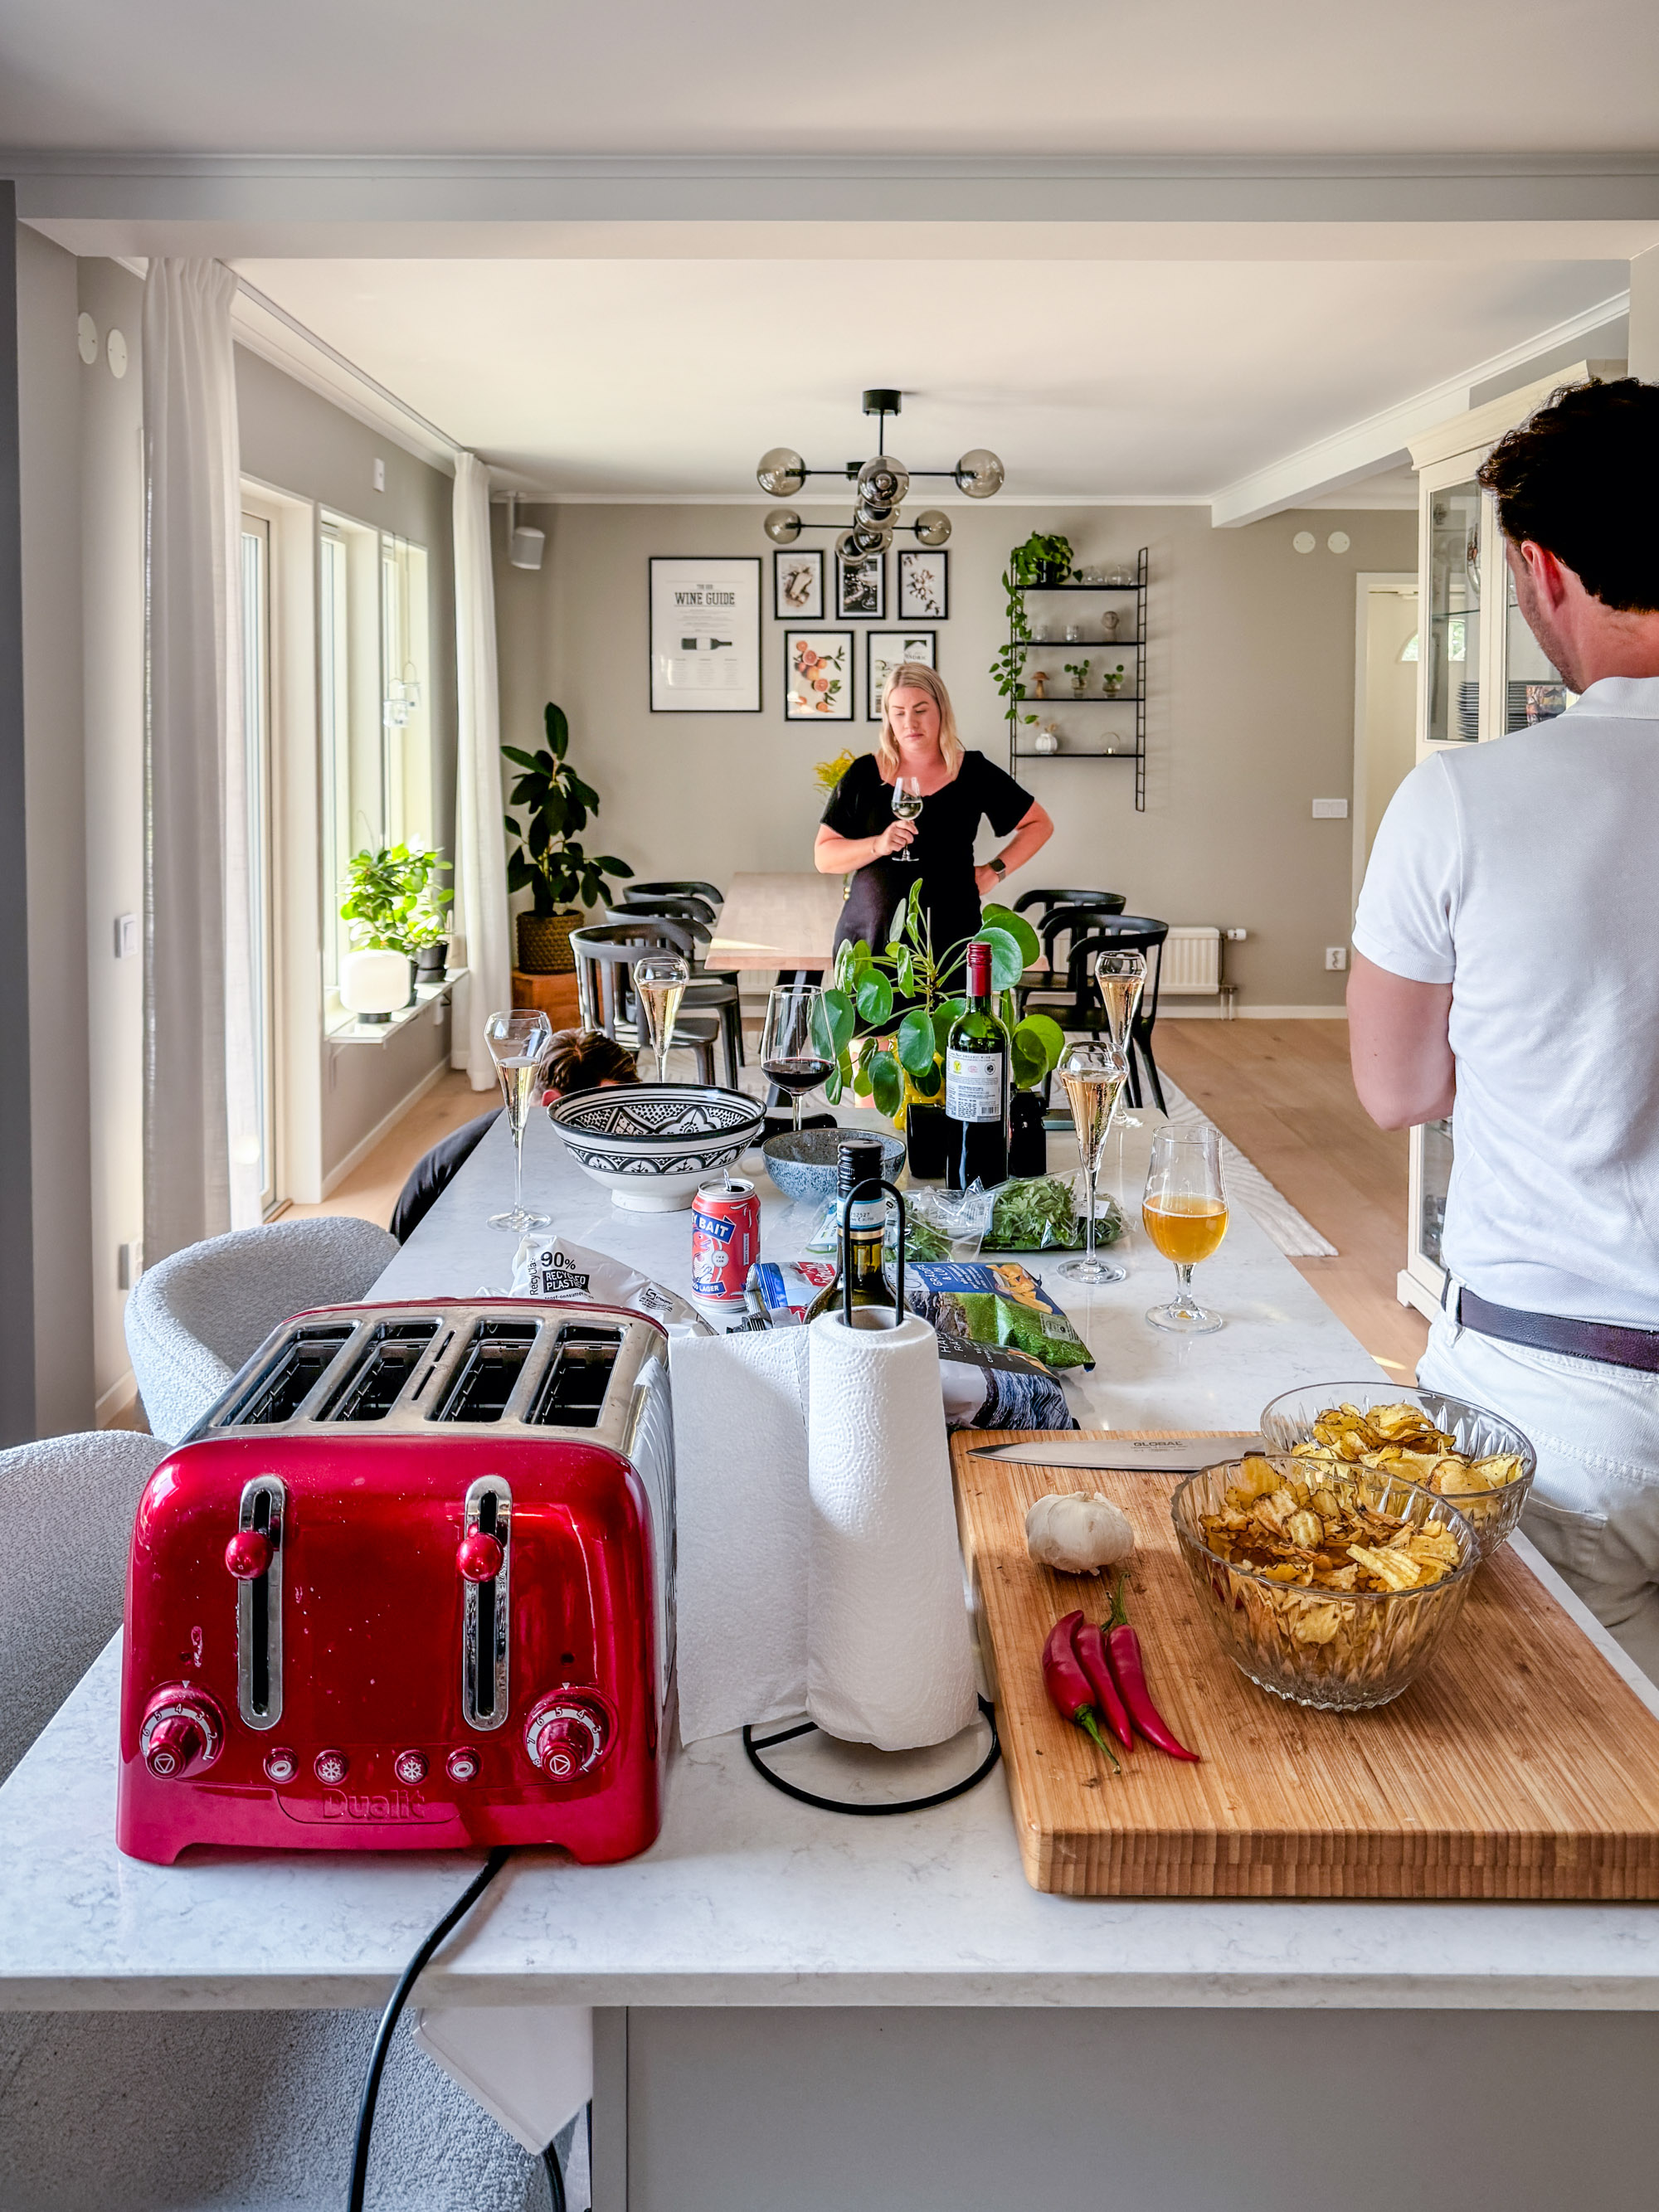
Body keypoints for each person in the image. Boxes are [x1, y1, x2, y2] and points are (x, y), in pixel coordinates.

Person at [1348, 376, 1659, 1677]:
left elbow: (1398, 1087)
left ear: (1541, 569)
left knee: (1558, 1767)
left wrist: (1549, 1040)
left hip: (1553, 1401)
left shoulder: (1462, 800)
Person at [814, 664, 1053, 965]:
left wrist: (993, 873)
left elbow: (1039, 824)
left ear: (941, 711)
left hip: (952, 940)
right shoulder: (864, 774)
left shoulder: (974, 772)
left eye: (920, 710)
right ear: (888, 719)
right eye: (899, 713)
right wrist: (877, 845)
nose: (910, 723)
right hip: (871, 940)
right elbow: (824, 857)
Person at [390, 1028, 637, 1242]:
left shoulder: (541, 1143)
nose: (622, 1124)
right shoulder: (491, 1162)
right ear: (551, 1103)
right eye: (608, 1111)